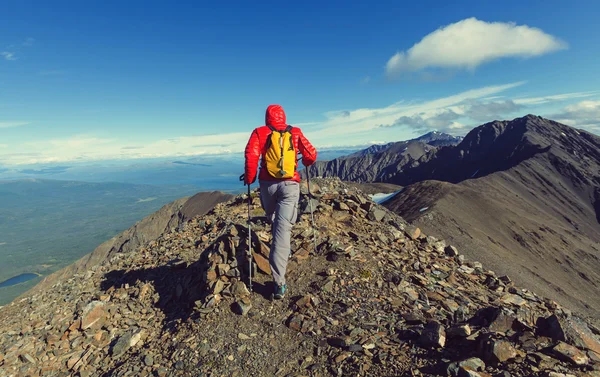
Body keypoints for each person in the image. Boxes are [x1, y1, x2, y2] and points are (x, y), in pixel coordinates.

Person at [244, 104, 317, 299]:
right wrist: (306, 162)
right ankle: (279, 278)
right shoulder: (295, 132)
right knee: (282, 230)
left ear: (267, 117)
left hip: (268, 184)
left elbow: (252, 156)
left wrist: (250, 178)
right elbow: (310, 154)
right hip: (290, 185)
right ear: (283, 116)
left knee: (274, 219)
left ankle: (279, 270)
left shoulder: (260, 132)